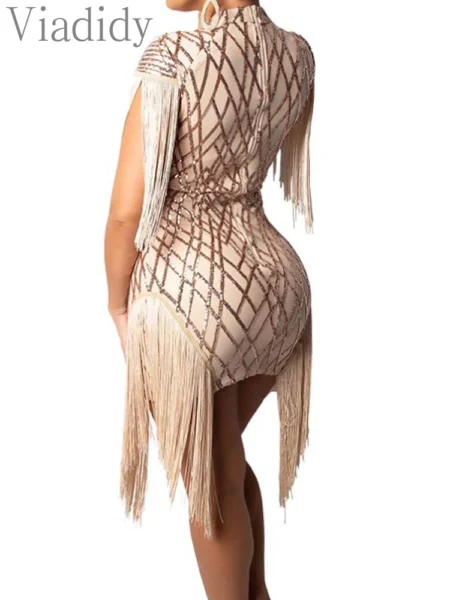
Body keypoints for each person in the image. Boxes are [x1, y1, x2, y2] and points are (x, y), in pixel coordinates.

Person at [104, 1, 315, 598]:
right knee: (225, 457)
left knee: (209, 477)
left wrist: (118, 305)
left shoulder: (175, 58)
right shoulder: (296, 55)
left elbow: (124, 217)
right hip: (276, 286)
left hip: (191, 295)